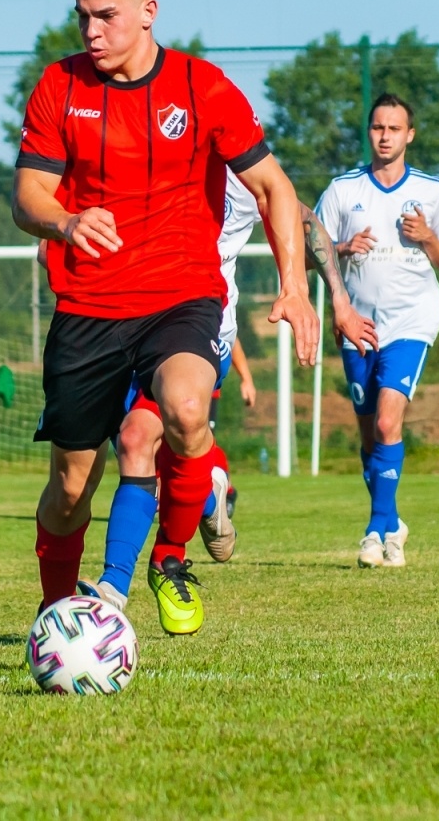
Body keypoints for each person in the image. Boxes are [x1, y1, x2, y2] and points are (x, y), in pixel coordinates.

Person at [13, 0, 318, 636]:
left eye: (107, 16)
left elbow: (274, 185)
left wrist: (295, 288)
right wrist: (64, 220)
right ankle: (56, 612)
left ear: (148, 13)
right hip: (88, 306)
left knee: (181, 411)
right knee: (69, 488)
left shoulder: (202, 87)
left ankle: (169, 557)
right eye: (82, 17)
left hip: (180, 298)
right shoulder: (59, 87)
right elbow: (26, 193)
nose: (91, 31)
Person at [82, 175, 377, 611]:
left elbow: (302, 218)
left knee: (136, 438)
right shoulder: (137, 150)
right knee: (149, 462)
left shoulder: (239, 167)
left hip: (200, 330)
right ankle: (207, 491)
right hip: (122, 325)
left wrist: (339, 298)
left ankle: (114, 590)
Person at [315, 93, 439, 568]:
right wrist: (342, 246)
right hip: (357, 322)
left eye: (394, 129)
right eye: (378, 128)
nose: (385, 136)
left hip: (411, 320)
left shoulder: (432, 190)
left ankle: (376, 533)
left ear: (409, 135)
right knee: (368, 436)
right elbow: (307, 248)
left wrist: (428, 238)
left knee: (386, 422)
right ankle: (390, 520)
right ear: (370, 132)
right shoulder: (343, 190)